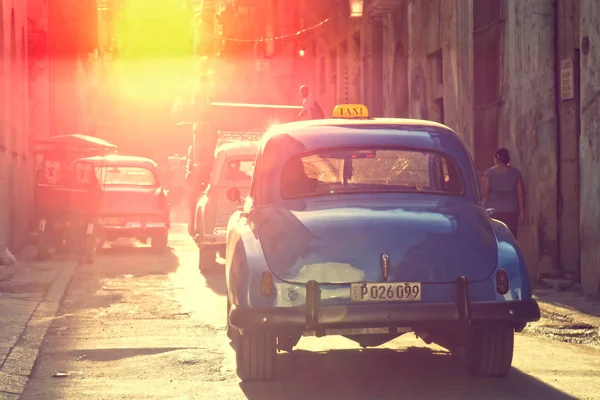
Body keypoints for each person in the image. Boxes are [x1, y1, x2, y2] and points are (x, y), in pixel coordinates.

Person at [482, 148, 524, 239]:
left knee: (495, 238)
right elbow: (520, 194)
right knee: (511, 238)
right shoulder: (515, 173)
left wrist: (482, 212)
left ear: (497, 158)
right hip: (511, 212)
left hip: (494, 212)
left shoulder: (489, 173)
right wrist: (521, 213)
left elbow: (485, 195)